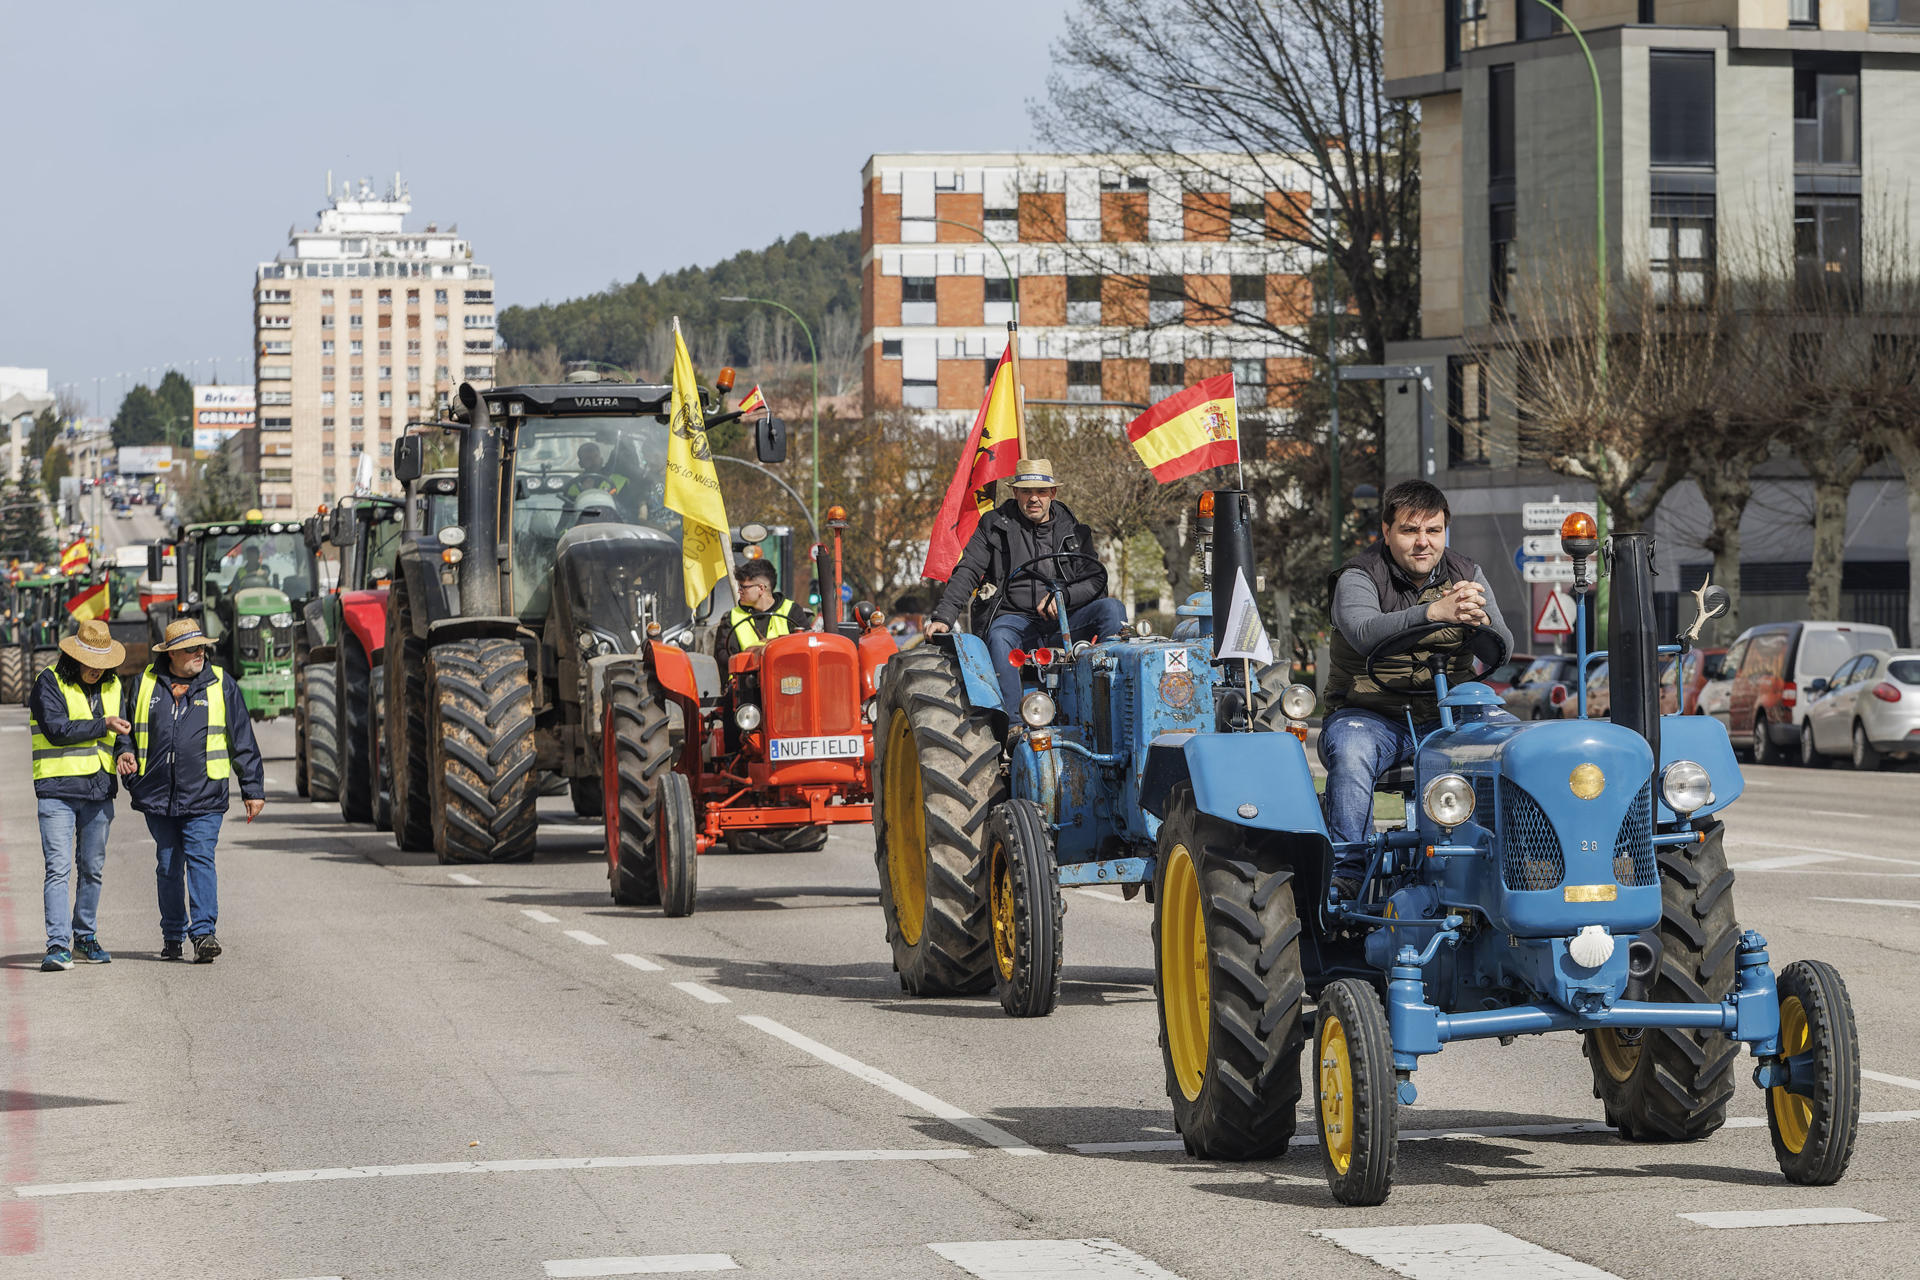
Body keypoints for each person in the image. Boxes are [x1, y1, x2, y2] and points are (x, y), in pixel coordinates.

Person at [1319, 479, 1513, 900]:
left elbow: (1504, 647)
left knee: (1514, 744)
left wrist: (1478, 619)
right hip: (1369, 716)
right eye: (1410, 530)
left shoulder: (1467, 573)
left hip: (1447, 718)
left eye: (1434, 531)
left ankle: (1515, 859)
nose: (1423, 543)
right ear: (1386, 532)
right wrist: (1434, 612)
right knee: (1351, 751)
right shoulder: (1358, 576)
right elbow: (1366, 631)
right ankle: (1348, 871)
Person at [114, 618, 266, 963]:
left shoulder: (221, 684)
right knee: (168, 864)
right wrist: (124, 752)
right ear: (171, 654)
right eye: (191, 649)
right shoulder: (144, 683)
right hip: (156, 794)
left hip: (205, 795)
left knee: (200, 857)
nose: (200, 653)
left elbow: (242, 739)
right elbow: (126, 729)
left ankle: (203, 934)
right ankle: (172, 934)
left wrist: (252, 789)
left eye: (202, 647)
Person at [925, 458, 1126, 713]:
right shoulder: (994, 526)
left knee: (1112, 609)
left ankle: (1109, 710)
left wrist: (1063, 597)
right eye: (1027, 491)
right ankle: (1014, 726)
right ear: (1015, 492)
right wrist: (943, 616)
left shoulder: (1075, 531)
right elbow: (969, 569)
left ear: (1053, 493)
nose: (1034, 499)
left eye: (1041, 491)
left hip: (1064, 622)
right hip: (1015, 621)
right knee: (999, 636)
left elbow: (1096, 580)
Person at [32, 620, 131, 971]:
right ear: (73, 658)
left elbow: (122, 732)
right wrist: (102, 725)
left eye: (103, 664)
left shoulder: (115, 685)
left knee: (92, 869)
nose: (97, 669)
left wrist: (124, 752)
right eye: (90, 661)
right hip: (57, 791)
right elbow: (57, 730)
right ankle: (58, 945)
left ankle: (85, 937)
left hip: (98, 790)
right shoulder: (49, 682)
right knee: (58, 869)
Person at [716, 559, 815, 672]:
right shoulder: (732, 617)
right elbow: (722, 656)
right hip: (746, 683)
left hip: (786, 680)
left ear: (761, 588)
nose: (739, 591)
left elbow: (806, 648)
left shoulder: (792, 611)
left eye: (744, 587)